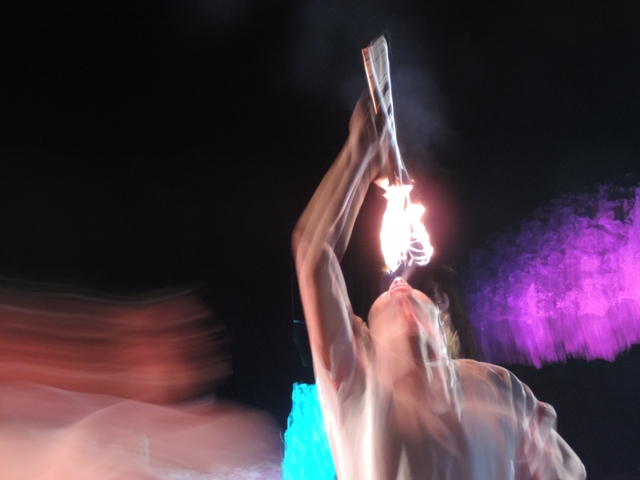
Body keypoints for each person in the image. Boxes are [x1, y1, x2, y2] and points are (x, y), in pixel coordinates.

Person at [292, 95, 586, 479]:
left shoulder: (501, 388)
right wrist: (359, 155)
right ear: (366, 335)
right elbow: (313, 250)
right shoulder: (359, 374)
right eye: (384, 301)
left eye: (415, 294)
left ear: (442, 318)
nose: (399, 286)